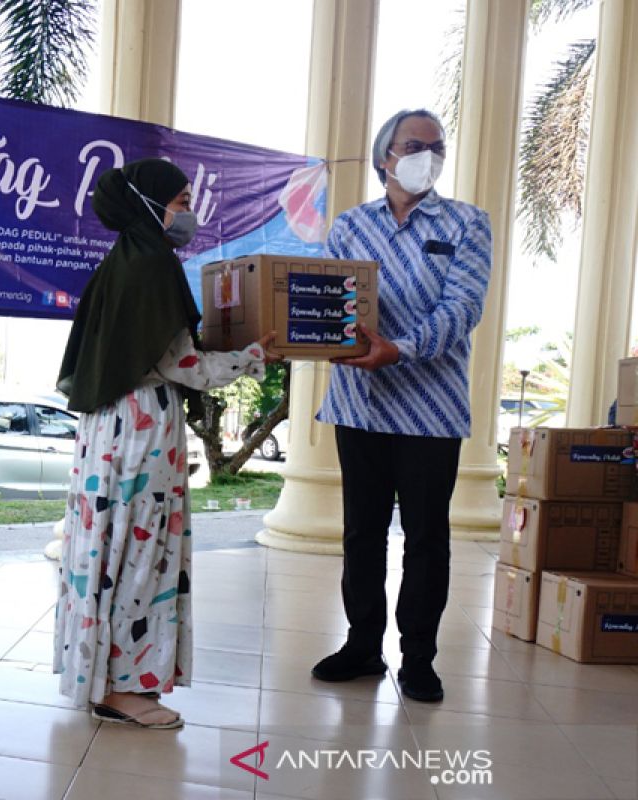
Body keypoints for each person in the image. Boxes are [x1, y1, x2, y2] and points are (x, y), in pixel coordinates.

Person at [54, 158, 273, 728]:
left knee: (108, 548)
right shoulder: (151, 265)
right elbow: (183, 363)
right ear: (148, 203)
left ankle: (104, 675)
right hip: (140, 432)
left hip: (110, 427)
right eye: (178, 201)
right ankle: (122, 687)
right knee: (138, 552)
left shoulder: (122, 264)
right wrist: (251, 358)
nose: (187, 213)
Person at [310, 109, 492, 702]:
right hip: (359, 404)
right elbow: (330, 300)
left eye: (438, 146)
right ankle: (363, 644)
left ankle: (419, 657)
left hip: (431, 408)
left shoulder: (467, 224)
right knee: (361, 531)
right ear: (385, 154)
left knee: (425, 536)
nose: (429, 155)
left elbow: (462, 308)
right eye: (416, 145)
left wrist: (401, 350)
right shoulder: (349, 226)